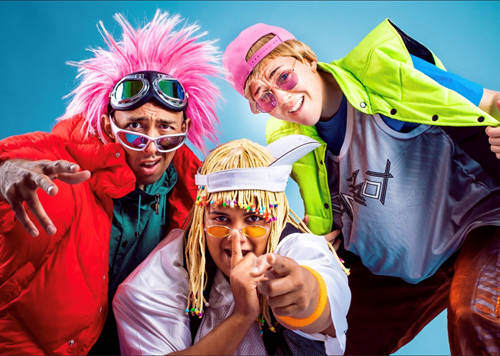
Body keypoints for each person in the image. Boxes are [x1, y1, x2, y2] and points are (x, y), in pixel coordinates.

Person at [223, 20, 500, 355]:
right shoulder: (290, 141)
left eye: (284, 77)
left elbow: (489, 103)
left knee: (476, 315)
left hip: (476, 227)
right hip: (400, 270)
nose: (283, 97)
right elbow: (327, 212)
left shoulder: (384, 70)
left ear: (308, 59)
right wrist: (323, 245)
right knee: (328, 341)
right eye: (265, 96)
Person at [0, 11, 221, 355]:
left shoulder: (194, 192)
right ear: (107, 125)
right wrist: (6, 172)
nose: (150, 144)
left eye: (165, 127)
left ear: (184, 129)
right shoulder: (66, 169)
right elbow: (18, 160)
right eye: (134, 126)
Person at [113, 135, 351, 355]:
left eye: (255, 218)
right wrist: (242, 315)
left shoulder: (298, 249)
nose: (236, 239)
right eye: (221, 219)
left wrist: (306, 293)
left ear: (276, 217)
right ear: (201, 217)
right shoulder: (161, 277)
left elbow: (324, 294)